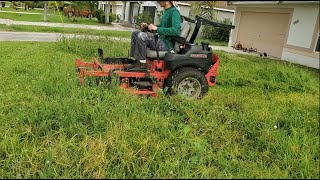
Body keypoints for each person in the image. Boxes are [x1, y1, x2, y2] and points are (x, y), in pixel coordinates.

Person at [126, 1, 181, 69]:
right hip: (160, 39)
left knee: (142, 36)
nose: (158, 2)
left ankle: (141, 64)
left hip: (166, 44)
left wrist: (157, 28)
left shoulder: (174, 12)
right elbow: (162, 27)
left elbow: (176, 31)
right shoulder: (166, 11)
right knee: (135, 33)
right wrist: (148, 27)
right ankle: (136, 60)